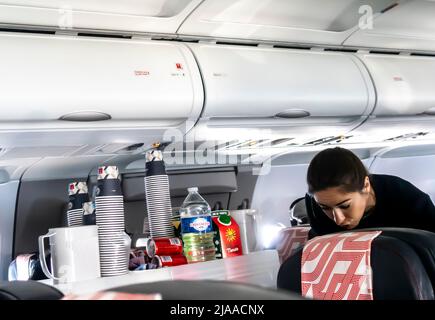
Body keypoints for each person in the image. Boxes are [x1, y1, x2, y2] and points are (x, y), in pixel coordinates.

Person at [305, 147, 435, 238]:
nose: (338, 219)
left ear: (366, 186)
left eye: (345, 206)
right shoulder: (314, 205)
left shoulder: (404, 196)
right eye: (325, 208)